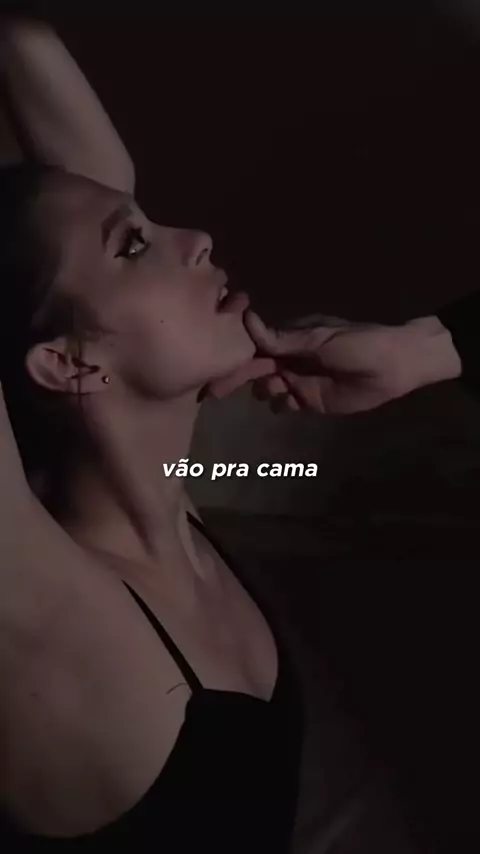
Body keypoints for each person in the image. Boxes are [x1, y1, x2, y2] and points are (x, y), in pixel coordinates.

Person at [0, 16, 475, 853]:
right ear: (69, 363)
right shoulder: (44, 598)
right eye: (135, 244)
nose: (198, 239)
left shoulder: (171, 508)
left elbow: (88, 172)